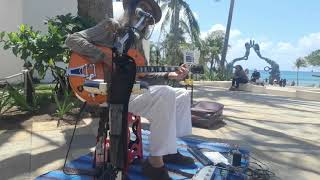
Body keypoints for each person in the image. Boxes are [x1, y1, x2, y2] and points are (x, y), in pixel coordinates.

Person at [65, 0, 193, 179]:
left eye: (150, 15)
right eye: (144, 8)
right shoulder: (111, 27)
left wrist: (169, 75)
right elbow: (72, 40)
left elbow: (142, 76)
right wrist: (104, 57)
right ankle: (154, 164)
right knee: (166, 93)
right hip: (100, 87)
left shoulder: (138, 44)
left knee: (182, 94)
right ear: (132, 7)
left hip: (130, 89)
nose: (147, 15)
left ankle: (167, 150)